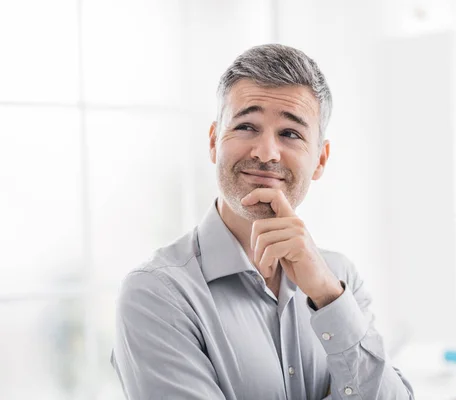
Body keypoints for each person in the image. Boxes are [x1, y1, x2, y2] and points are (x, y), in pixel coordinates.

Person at [111, 44, 414, 400]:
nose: (265, 152)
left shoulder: (338, 279)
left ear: (320, 160)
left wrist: (329, 298)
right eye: (246, 126)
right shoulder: (157, 293)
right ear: (213, 142)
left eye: (290, 134)